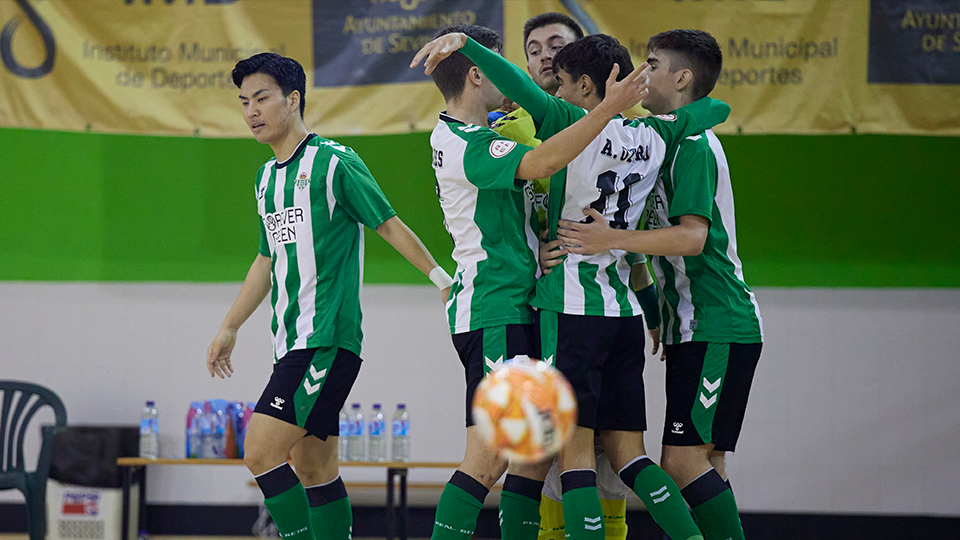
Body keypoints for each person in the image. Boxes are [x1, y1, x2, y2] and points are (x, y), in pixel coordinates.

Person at [413, 31, 731, 540]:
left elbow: (535, 115)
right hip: (611, 308)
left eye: (560, 82)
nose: (551, 91)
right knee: (608, 456)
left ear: (585, 84)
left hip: (564, 306)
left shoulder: (562, 121)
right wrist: (635, 102)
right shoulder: (654, 134)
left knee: (554, 455)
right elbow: (712, 109)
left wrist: (468, 46)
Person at [205, 52, 451, 540]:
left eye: (261, 98)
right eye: (243, 102)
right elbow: (265, 262)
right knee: (313, 467)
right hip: (289, 342)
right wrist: (230, 326)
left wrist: (442, 279)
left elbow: (388, 222)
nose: (251, 110)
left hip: (326, 337)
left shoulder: (333, 161)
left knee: (259, 452)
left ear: (293, 100)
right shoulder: (264, 179)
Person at [555, 30, 764, 540]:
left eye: (651, 64)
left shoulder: (692, 146)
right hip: (689, 327)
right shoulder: (656, 138)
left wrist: (611, 236)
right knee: (706, 463)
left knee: (682, 462)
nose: (640, 74)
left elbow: (692, 238)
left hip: (716, 321)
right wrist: (655, 314)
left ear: (681, 78)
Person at [486, 12, 633, 540]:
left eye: (556, 45)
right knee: (542, 448)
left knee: (605, 455)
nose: (545, 54)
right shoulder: (503, 129)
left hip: (599, 305)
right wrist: (538, 247)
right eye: (533, 47)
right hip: (534, 305)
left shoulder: (617, 131)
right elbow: (496, 222)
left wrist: (645, 292)